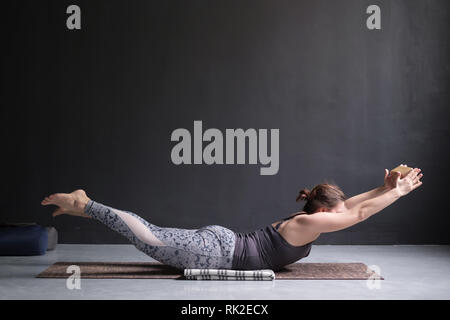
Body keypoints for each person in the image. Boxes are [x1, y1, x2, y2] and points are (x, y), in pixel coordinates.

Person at [41, 164, 423, 271]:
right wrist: (399, 193)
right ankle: (86, 204)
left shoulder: (310, 219)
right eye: (335, 212)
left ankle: (87, 205)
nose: (341, 215)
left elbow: (354, 205)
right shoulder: (309, 224)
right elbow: (356, 214)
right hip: (218, 252)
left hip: (221, 245)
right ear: (324, 212)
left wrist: (387, 186)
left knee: (152, 239)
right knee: (150, 239)